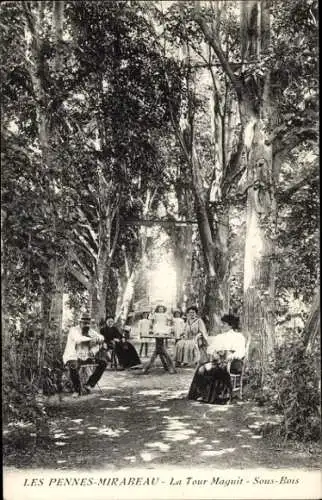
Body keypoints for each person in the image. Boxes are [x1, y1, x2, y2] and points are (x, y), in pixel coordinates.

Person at [187, 314, 246, 404]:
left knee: (218, 369)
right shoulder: (220, 337)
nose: (222, 325)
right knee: (202, 368)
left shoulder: (239, 337)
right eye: (222, 323)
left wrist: (230, 357)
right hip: (219, 361)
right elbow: (210, 349)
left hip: (233, 361)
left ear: (231, 325)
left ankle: (218, 396)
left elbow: (241, 351)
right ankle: (201, 395)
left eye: (224, 324)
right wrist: (214, 353)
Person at [63, 313, 106, 397]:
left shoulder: (89, 331)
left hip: (85, 356)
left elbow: (101, 338)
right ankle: (77, 390)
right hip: (73, 356)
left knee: (103, 363)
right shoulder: (74, 330)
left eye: (88, 323)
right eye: (84, 323)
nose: (86, 325)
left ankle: (89, 384)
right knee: (73, 365)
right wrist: (92, 339)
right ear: (80, 323)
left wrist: (94, 349)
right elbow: (78, 339)